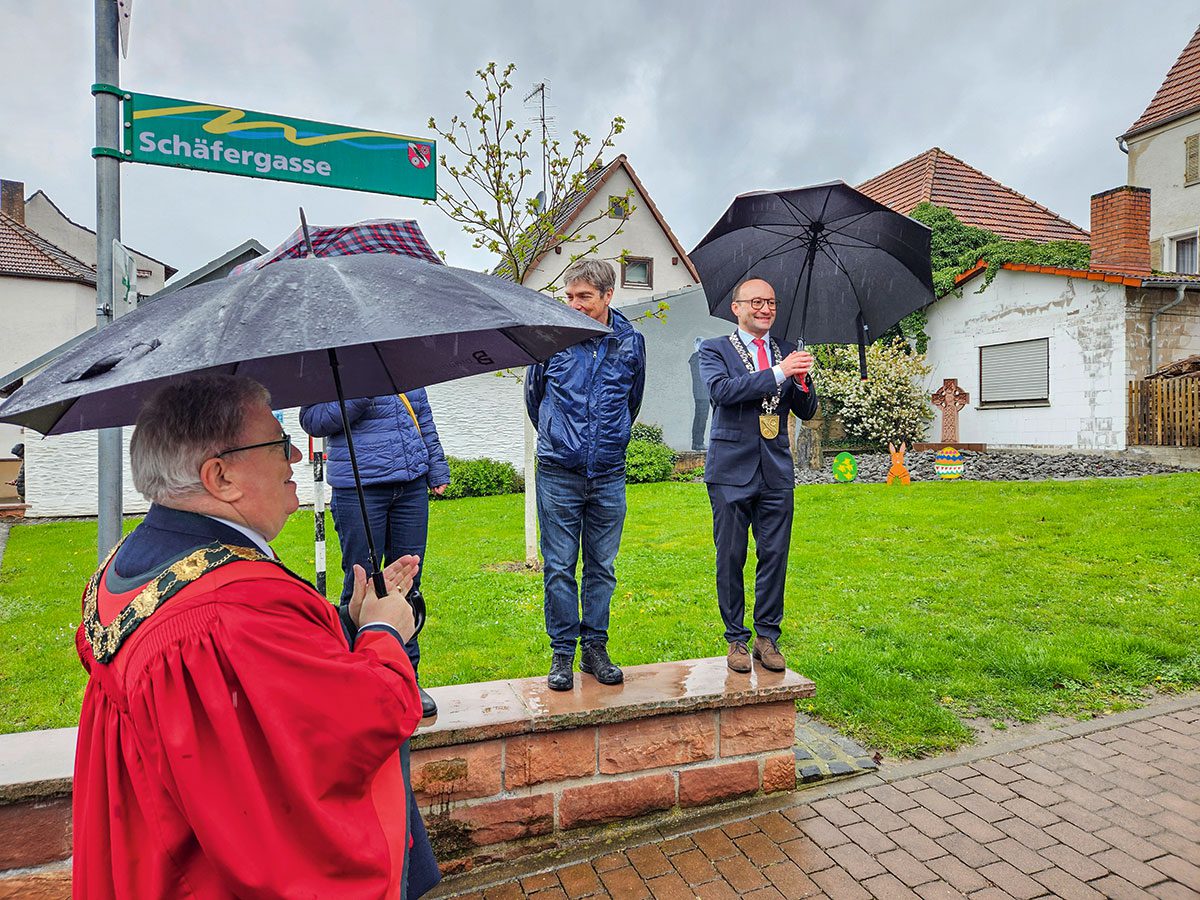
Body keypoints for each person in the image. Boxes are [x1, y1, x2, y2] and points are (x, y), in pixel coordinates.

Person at [72, 374, 440, 898]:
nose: (294, 454)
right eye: (276, 442)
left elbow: (263, 696)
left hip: (152, 850)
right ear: (219, 477)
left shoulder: (135, 563)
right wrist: (384, 631)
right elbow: (359, 718)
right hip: (214, 872)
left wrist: (349, 624)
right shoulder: (228, 610)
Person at [525, 258, 646, 691]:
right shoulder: (551, 340)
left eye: (584, 298)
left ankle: (595, 648)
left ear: (608, 296)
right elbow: (536, 399)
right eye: (570, 296)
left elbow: (632, 401)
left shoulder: (631, 342)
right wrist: (564, 439)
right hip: (559, 471)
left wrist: (607, 442)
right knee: (559, 566)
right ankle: (562, 652)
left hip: (609, 473)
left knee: (603, 566)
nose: (573, 305)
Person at [300, 389, 449, 718]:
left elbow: (422, 415)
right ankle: (356, 677)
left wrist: (436, 467)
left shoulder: (397, 359)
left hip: (410, 485)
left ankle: (407, 677)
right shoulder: (337, 361)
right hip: (359, 488)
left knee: (407, 584)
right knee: (361, 585)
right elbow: (312, 421)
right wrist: (361, 392)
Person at [699, 277, 818, 674]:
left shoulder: (786, 350)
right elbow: (723, 392)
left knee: (774, 556)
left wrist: (800, 380)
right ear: (737, 308)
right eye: (756, 302)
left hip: (776, 469)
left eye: (771, 302)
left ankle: (767, 637)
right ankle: (736, 638)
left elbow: (806, 410)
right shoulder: (714, 349)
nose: (765, 309)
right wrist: (781, 373)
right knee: (730, 556)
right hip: (731, 469)